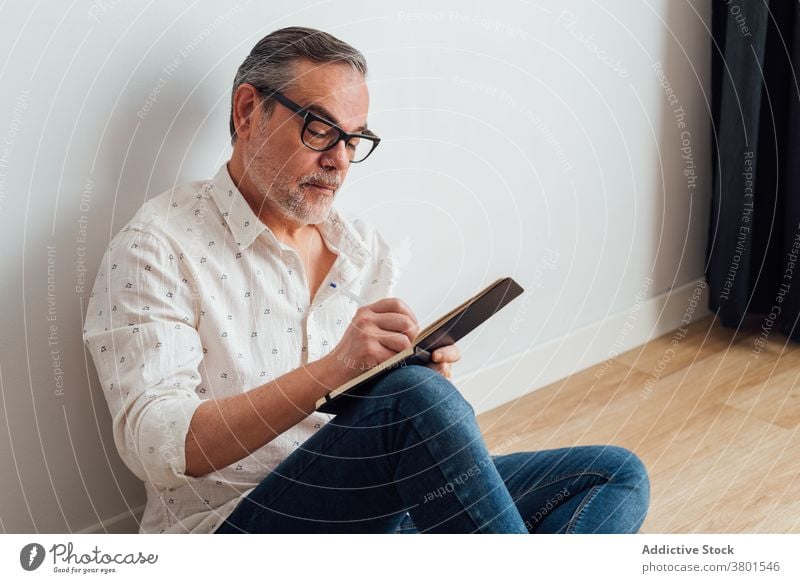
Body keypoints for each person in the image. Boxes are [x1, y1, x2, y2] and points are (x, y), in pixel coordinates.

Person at [83, 26, 650, 534]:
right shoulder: (155, 247)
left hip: (372, 508)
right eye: (321, 130)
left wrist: (425, 381)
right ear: (247, 111)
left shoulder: (360, 249)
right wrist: (338, 372)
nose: (340, 160)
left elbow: (391, 418)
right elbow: (156, 445)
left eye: (354, 139)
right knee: (411, 400)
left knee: (614, 475)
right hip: (238, 526)